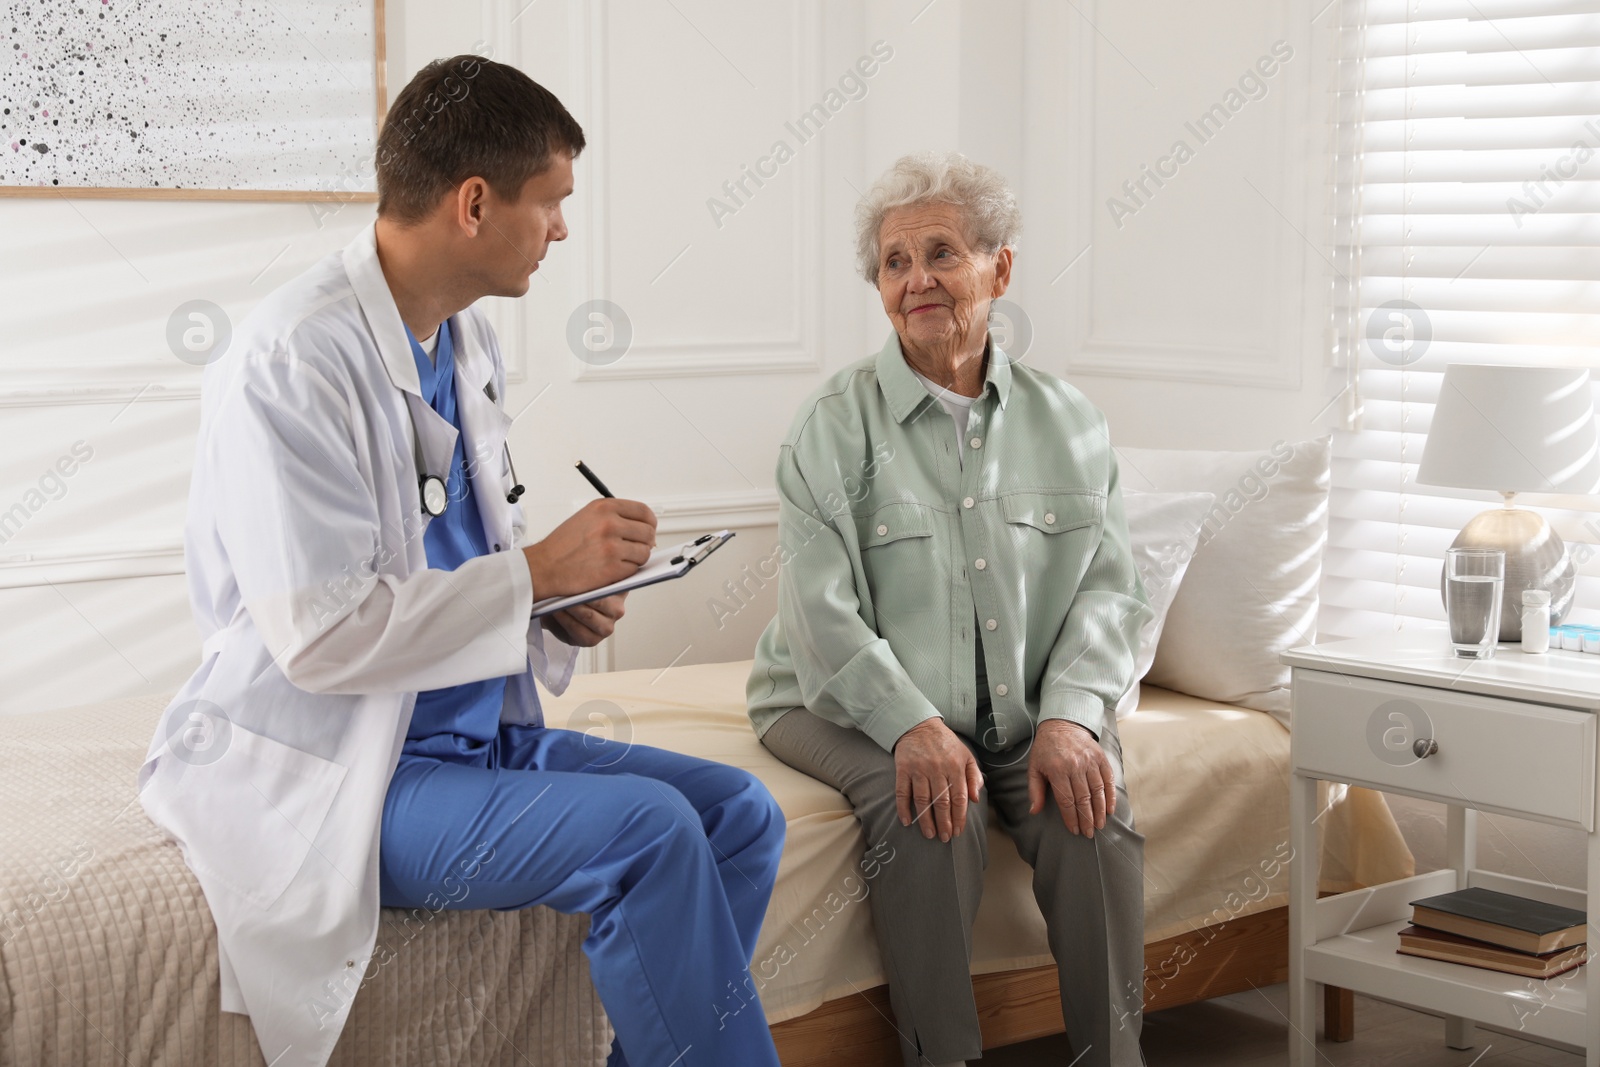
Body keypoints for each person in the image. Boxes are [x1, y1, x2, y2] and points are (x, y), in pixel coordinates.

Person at [138, 56, 785, 1067]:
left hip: (468, 741)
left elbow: (455, 557)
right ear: (474, 203)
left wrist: (560, 601)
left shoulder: (462, 337)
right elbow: (319, 634)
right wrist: (534, 575)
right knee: (655, 831)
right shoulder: (292, 359)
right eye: (552, 203)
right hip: (346, 771)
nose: (562, 231)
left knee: (738, 812)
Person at [747, 151, 1152, 1067]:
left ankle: (1114, 1056)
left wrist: (1072, 717)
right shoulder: (830, 427)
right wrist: (913, 726)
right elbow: (821, 619)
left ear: (998, 269)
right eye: (895, 262)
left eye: (941, 252)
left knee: (1095, 808)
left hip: (1025, 710)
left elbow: (1109, 590)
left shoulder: (1072, 422)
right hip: (829, 699)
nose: (917, 279)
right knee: (933, 812)